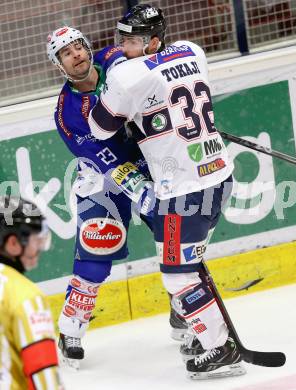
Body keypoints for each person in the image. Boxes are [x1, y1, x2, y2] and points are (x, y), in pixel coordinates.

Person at [88, 4, 245, 380]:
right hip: (219, 175)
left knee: (177, 275)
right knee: (187, 263)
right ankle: (200, 329)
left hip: (182, 192)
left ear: (154, 40)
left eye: (133, 40)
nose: (124, 46)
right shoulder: (193, 50)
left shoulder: (126, 74)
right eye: (121, 39)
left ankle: (219, 348)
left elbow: (99, 128)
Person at [46, 26, 187, 368]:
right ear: (59, 65)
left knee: (178, 239)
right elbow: (100, 157)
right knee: (98, 247)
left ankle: (185, 310)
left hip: (150, 159)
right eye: (66, 52)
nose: (77, 54)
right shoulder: (67, 112)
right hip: (101, 180)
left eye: (79, 46)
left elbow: (158, 69)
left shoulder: (116, 59)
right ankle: (71, 329)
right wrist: (137, 186)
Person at [0, 196, 64, 389]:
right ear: (13, 244)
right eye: (36, 241)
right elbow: (44, 376)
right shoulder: (25, 297)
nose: (40, 249)